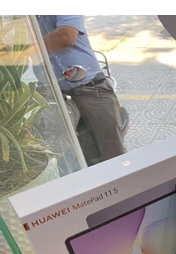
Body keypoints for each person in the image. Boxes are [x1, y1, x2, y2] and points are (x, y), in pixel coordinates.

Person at [36, 15, 127, 162]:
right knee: (58, 154)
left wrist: (27, 49)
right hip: (56, 94)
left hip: (91, 87)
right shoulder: (24, 20)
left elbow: (66, 37)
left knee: (114, 153)